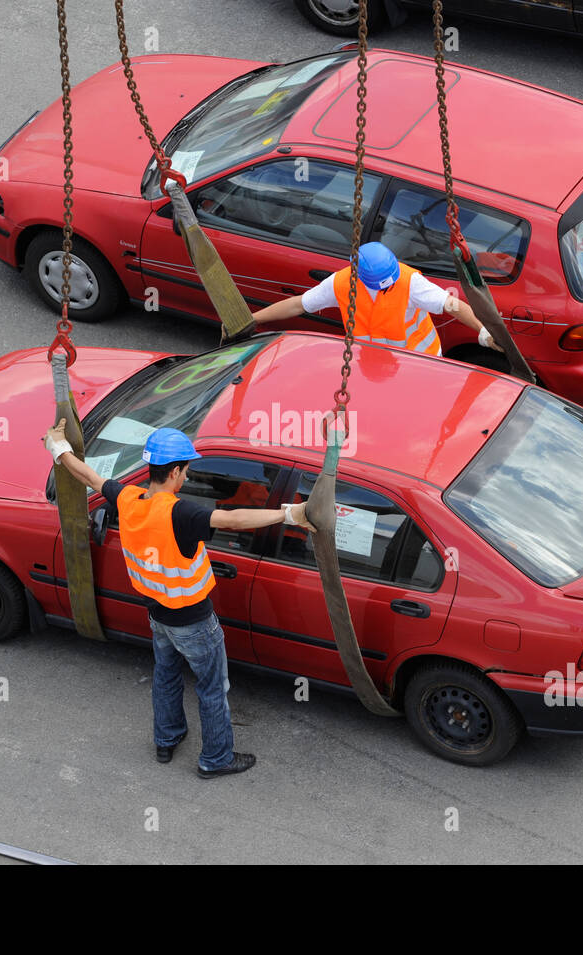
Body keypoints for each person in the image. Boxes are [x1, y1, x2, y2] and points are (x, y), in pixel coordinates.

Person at [43, 422, 315, 778]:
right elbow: (232, 520)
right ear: (174, 471)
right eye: (186, 470)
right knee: (213, 689)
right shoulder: (181, 513)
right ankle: (216, 759)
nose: (187, 477)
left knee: (166, 676)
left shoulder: (128, 498)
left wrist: (57, 446)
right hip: (195, 622)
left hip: (157, 616)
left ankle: (166, 740)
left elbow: (89, 476)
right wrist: (289, 514)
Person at [250, 241, 504, 358]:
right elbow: (297, 304)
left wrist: (483, 332)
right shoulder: (340, 283)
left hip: (419, 360)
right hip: (372, 362)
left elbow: (453, 305)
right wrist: (253, 319)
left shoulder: (409, 281)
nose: (387, 289)